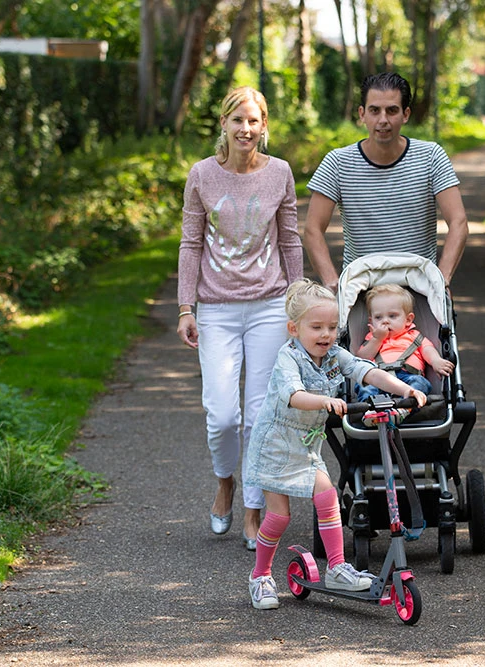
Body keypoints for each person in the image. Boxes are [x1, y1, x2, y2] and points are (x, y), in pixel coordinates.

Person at [244, 279, 427, 610]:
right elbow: (294, 395)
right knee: (279, 516)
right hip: (276, 446)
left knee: (328, 496)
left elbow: (366, 371)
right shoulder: (288, 358)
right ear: (294, 329)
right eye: (316, 327)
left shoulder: (333, 355)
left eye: (331, 327)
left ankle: (338, 568)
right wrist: (324, 402)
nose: (326, 334)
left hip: (307, 446)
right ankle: (260, 576)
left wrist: (405, 390)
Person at [177, 86, 303, 551]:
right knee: (222, 416)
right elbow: (191, 243)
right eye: (237, 120)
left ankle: (253, 510)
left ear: (264, 125)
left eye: (253, 121)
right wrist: (186, 307)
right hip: (216, 308)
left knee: (260, 416)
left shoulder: (280, 173)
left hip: (269, 305)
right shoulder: (202, 175)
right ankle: (224, 480)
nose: (245, 129)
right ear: (224, 125)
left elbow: (289, 240)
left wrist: (298, 303)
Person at [303, 72, 468, 292]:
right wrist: (333, 282)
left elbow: (458, 221)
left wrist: (441, 279)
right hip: (360, 290)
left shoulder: (431, 157)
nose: (383, 120)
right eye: (374, 110)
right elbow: (313, 229)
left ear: (405, 114)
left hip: (419, 289)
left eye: (392, 110)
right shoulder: (337, 163)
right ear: (362, 114)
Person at [355, 283, 454, 401]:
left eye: (392, 316)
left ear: (408, 319)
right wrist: (377, 339)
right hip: (378, 378)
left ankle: (405, 407)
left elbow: (428, 349)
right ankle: (372, 408)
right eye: (378, 317)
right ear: (371, 321)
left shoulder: (414, 336)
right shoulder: (372, 338)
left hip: (408, 376)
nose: (385, 321)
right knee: (365, 386)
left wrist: (436, 361)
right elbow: (361, 359)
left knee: (420, 383)